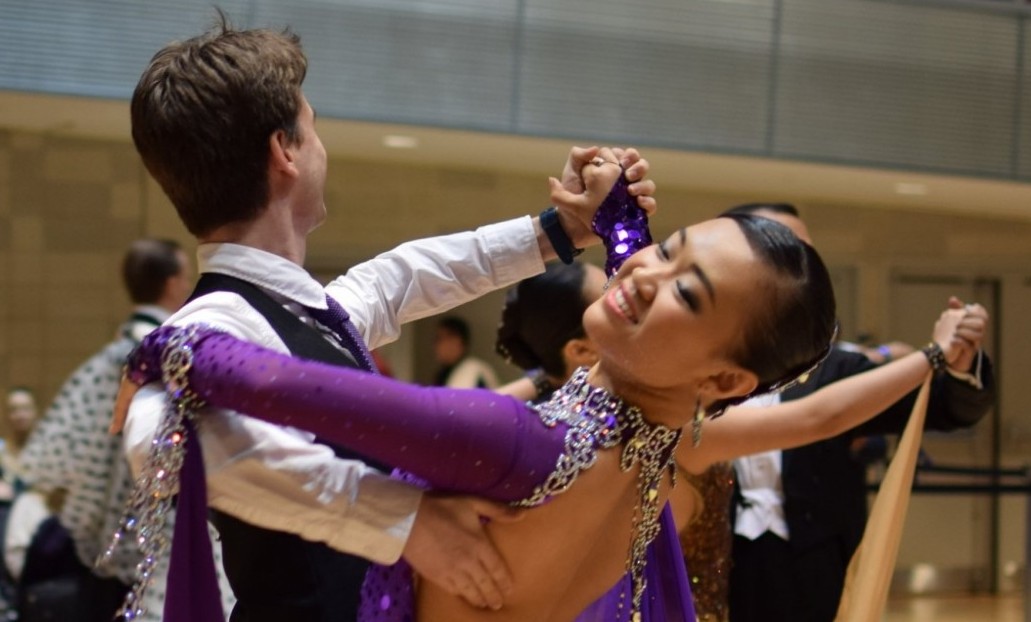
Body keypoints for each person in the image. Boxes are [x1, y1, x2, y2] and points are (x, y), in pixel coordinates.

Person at [122, 12, 657, 622]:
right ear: (285, 152)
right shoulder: (218, 321)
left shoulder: (305, 308)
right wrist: (398, 519)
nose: (323, 144)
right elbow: (157, 441)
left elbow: (405, 276)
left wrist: (559, 230)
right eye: (313, 127)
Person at [717, 202, 995, 622]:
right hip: (714, 556)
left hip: (815, 555)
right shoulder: (697, 363)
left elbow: (944, 407)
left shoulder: (839, 367)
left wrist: (956, 362)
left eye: (806, 252)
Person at [15, 239, 234, 621]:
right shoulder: (175, 359)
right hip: (168, 536)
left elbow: (59, 460)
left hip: (110, 544)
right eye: (184, 277)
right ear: (172, 284)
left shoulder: (104, 359)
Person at [432, 316, 499, 389]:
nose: (444, 344)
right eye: (439, 339)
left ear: (463, 342)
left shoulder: (474, 370)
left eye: (450, 338)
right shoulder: (441, 377)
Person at [0, 388, 39, 501]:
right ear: (6, 415)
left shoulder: (48, 453)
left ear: (35, 412)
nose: (20, 415)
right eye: (14, 410)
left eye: (26, 409)